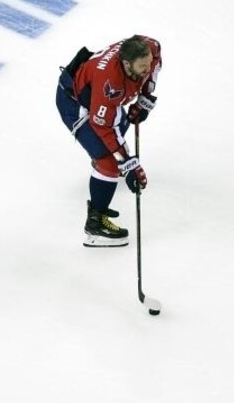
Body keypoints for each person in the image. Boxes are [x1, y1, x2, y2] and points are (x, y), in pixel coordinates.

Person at [55, 34, 161, 247]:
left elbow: (157, 56)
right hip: (75, 104)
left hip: (97, 97)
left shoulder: (148, 48)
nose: (148, 69)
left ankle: (102, 171)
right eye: (142, 66)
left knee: (119, 126)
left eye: (148, 63)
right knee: (110, 161)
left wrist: (145, 95)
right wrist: (128, 164)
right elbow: (102, 126)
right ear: (126, 62)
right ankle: (96, 224)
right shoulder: (110, 83)